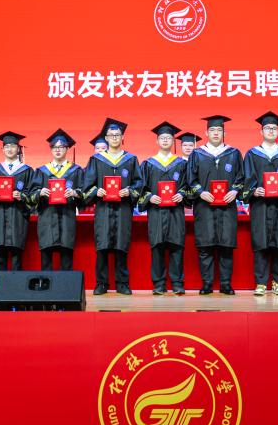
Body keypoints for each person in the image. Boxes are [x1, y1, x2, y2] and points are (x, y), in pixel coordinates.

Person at [82, 118, 143, 295]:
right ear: (106, 138)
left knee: (121, 245)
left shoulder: (131, 159)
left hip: (123, 209)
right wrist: (97, 191)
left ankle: (122, 283)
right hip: (103, 209)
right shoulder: (96, 160)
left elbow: (139, 183)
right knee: (102, 246)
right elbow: (87, 186)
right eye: (111, 135)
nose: (115, 137)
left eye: (117, 135)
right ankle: (101, 283)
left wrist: (129, 191)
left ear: (122, 137)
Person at [185, 115, 244, 296]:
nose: (216, 133)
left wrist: (234, 191)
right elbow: (190, 179)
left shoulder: (234, 154)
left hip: (227, 207)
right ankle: (207, 284)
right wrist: (200, 192)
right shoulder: (197, 154)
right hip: (204, 207)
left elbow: (241, 177)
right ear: (206, 133)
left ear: (224, 133)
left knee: (226, 246)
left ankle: (226, 284)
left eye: (219, 130)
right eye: (212, 130)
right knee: (205, 246)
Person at [243, 111, 278, 296]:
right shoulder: (252, 154)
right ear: (261, 131)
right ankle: (260, 283)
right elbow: (246, 179)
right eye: (267, 128)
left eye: (274, 128)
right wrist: (253, 190)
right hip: (260, 205)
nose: (271, 131)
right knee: (260, 242)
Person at [139, 122, 188, 295]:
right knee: (157, 247)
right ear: (157, 141)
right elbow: (141, 188)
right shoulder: (148, 164)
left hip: (176, 212)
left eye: (168, 138)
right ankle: (159, 284)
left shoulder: (181, 164)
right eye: (162, 138)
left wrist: (182, 194)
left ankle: (177, 283)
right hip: (156, 212)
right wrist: (149, 197)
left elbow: (188, 186)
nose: (165, 140)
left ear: (173, 140)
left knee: (177, 247)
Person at [31, 129, 84, 271]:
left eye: (61, 147)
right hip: (47, 218)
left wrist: (75, 193)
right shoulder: (42, 171)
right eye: (54, 147)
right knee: (46, 258)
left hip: (67, 218)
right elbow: (31, 194)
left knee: (66, 258)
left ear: (67, 148)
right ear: (51, 149)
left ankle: (66, 285)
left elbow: (85, 192)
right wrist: (40, 192)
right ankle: (45, 284)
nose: (58, 150)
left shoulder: (76, 170)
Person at [0, 131, 33, 277]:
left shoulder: (27, 170)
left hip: (17, 215)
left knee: (16, 251)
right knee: (0, 251)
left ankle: (15, 284)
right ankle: (0, 284)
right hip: (0, 214)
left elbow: (32, 194)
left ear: (18, 149)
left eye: (13, 146)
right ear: (2, 149)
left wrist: (21, 196)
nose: (9, 149)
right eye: (6, 146)